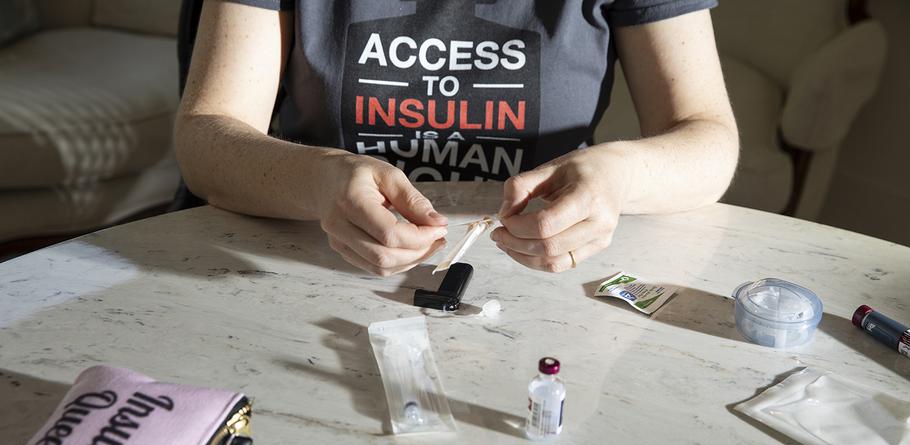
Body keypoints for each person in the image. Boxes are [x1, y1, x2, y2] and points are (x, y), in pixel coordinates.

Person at [175, 0, 738, 276]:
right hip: (309, 261)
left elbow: (708, 140)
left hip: (538, 277)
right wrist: (321, 180)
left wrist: (618, 175)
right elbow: (205, 139)